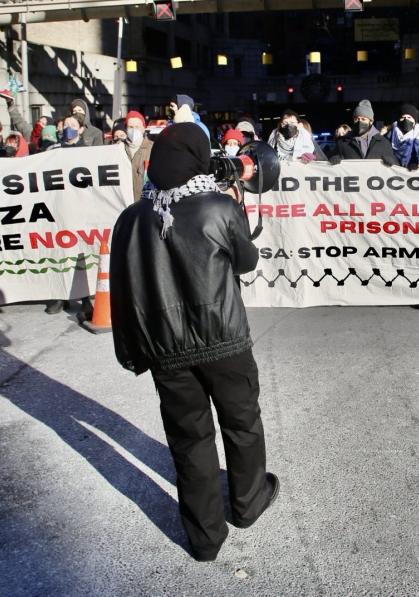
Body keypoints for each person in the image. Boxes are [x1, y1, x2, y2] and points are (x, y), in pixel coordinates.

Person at [110, 122, 278, 562]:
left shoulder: (129, 218)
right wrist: (237, 209)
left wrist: (131, 350)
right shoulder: (218, 208)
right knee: (241, 424)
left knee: (189, 439)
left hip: (166, 350)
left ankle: (204, 539)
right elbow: (247, 260)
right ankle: (247, 503)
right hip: (224, 341)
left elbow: (123, 289)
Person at [332, 100, 396, 165]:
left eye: (363, 119)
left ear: (371, 121)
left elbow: (397, 167)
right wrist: (332, 158)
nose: (359, 122)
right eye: (356, 119)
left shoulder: (383, 142)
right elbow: (328, 163)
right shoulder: (342, 143)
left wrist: (392, 161)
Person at [386, 104, 419, 170]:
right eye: (403, 117)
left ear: (415, 120)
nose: (406, 120)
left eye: (409, 117)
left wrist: (416, 163)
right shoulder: (389, 136)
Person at [122, 111, 153, 203]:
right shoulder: (119, 149)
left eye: (137, 127)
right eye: (130, 127)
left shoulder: (153, 148)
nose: (134, 130)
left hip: (145, 203)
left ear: (143, 128)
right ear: (126, 129)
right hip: (124, 203)